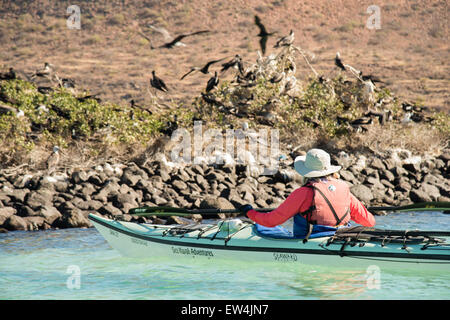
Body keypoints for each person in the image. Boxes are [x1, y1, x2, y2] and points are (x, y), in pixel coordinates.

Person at [239, 148, 375, 241]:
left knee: (263, 227)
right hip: (342, 236)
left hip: (311, 239)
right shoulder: (344, 188)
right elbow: (369, 222)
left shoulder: (303, 193)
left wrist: (249, 212)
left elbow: (271, 221)